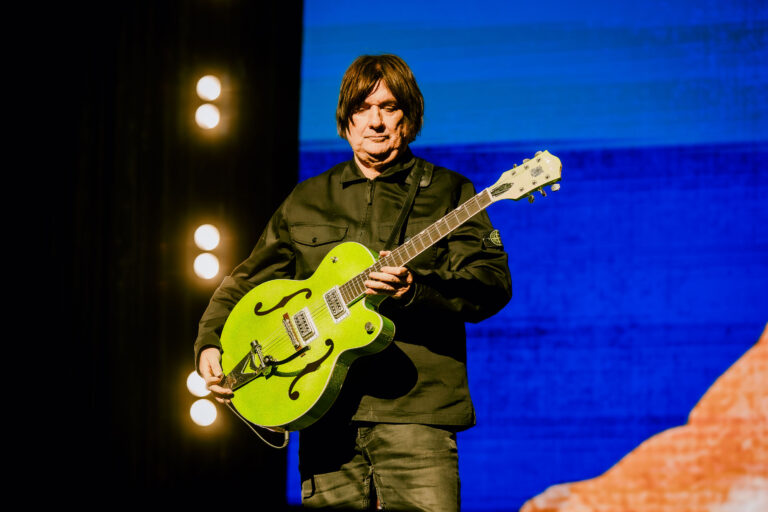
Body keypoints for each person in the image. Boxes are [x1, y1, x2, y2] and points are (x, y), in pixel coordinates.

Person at [194, 54, 512, 511]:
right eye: (363, 108)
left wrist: (414, 290)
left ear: (409, 118)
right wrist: (210, 343)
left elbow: (491, 283)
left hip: (416, 414)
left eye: (389, 107)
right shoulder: (307, 199)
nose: (375, 121)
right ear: (346, 121)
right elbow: (246, 281)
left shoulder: (451, 193)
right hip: (323, 415)